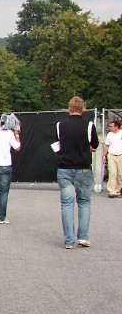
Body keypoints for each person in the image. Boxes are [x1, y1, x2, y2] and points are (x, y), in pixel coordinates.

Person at [55, 96, 99, 249]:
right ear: (83, 110)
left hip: (64, 168)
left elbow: (58, 143)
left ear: (69, 109)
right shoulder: (89, 125)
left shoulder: (60, 125)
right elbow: (94, 145)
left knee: (67, 204)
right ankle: (83, 237)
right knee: (84, 202)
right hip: (83, 168)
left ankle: (69, 240)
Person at [104, 118, 122, 198]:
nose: (110, 128)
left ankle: (118, 190)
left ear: (117, 127)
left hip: (120, 155)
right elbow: (107, 145)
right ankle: (112, 191)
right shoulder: (109, 135)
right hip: (111, 155)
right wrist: (104, 156)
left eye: (111, 126)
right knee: (112, 173)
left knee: (120, 174)